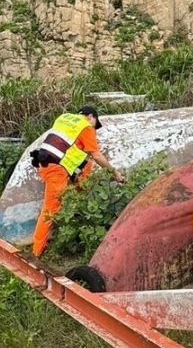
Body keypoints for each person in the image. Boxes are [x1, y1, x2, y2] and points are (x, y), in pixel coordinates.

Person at [30, 106, 125, 257]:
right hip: (56, 169)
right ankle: (36, 253)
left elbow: (69, 148)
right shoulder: (86, 127)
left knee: (84, 170)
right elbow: (96, 155)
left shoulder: (64, 118)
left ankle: (51, 241)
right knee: (51, 210)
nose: (95, 128)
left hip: (44, 162)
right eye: (95, 123)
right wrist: (114, 173)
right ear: (91, 117)